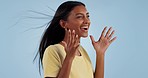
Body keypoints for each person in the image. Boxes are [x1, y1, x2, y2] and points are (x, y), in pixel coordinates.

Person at [36, 1, 116, 78]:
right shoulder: (53, 50)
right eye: (79, 17)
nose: (87, 21)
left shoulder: (82, 51)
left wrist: (100, 54)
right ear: (63, 24)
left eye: (87, 16)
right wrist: (69, 57)